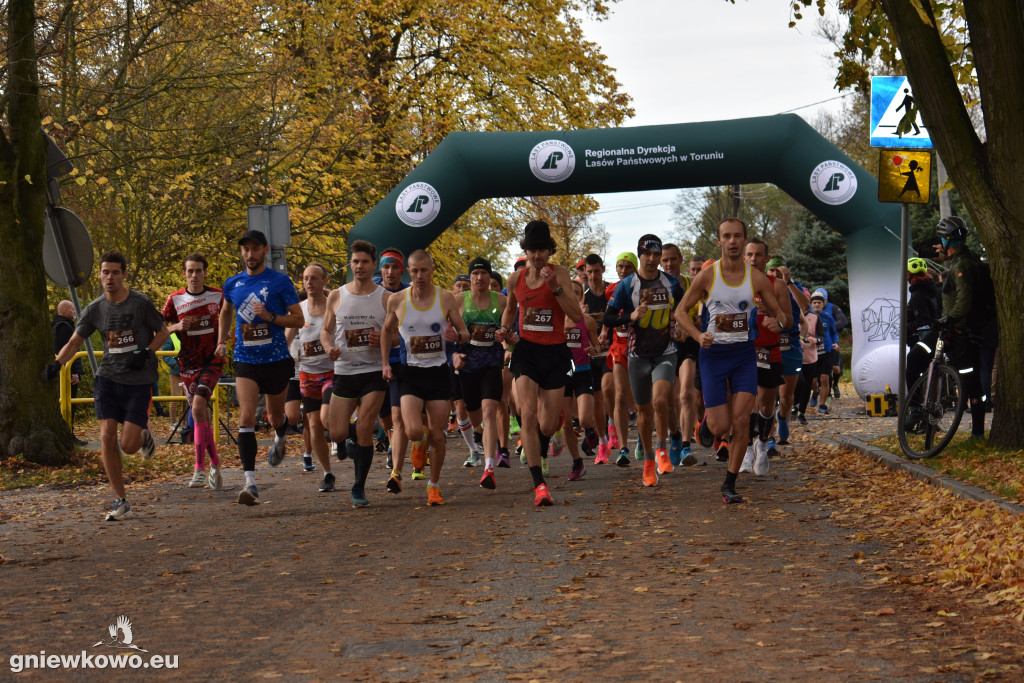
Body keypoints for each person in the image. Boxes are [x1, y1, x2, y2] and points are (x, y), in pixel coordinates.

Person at [49, 251, 169, 520]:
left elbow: (162, 332)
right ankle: (121, 500)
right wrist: (56, 365)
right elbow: (74, 343)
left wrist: (147, 352)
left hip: (138, 381)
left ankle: (142, 435)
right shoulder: (95, 309)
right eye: (105, 272)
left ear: (124, 274)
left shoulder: (140, 303)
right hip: (108, 379)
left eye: (115, 272)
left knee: (127, 446)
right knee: (106, 435)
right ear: (100, 275)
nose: (110, 277)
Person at [673, 219, 784, 504]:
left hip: (744, 355)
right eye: (727, 236)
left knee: (741, 420)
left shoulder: (756, 278)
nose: (733, 241)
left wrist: (777, 322)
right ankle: (708, 426)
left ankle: (730, 484)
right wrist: (698, 336)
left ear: (744, 240)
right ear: (719, 241)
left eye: (737, 236)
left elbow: (780, 314)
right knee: (722, 427)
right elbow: (680, 313)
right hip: (713, 356)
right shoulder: (708, 276)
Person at [216, 230, 304, 505]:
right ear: (241, 253)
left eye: (255, 249)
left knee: (277, 416)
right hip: (246, 359)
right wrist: (222, 340)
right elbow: (226, 311)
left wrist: (271, 317)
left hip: (277, 359)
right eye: (246, 250)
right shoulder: (233, 283)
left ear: (265, 250)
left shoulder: (280, 281)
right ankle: (250, 483)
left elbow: (298, 319)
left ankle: (280, 436)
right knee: (245, 418)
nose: (250, 255)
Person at [500, 220, 583, 506]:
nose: (538, 255)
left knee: (547, 425)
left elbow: (577, 315)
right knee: (527, 414)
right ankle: (540, 486)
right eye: (533, 250)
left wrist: (555, 288)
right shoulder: (516, 279)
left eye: (542, 250)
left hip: (555, 353)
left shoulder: (559, 274)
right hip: (526, 352)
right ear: (525, 250)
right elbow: (510, 310)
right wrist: (504, 334)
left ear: (550, 251)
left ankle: (556, 424)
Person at [381, 250, 470, 506]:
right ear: (409, 272)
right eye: (414, 271)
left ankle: (433, 485)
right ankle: (417, 444)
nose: (419, 275)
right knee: (411, 430)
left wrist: (458, 337)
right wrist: (386, 363)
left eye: (424, 270)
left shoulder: (445, 298)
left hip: (438, 374)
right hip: (410, 373)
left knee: (437, 435)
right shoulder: (397, 300)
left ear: (432, 270)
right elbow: (387, 332)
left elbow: (464, 332)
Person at [604, 234, 686, 487]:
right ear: (639, 255)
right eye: (646, 254)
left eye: (656, 254)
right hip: (637, 355)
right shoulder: (627, 285)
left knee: (661, 400)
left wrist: (682, 323)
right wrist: (630, 316)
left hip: (665, 351)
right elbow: (607, 319)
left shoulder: (671, 282)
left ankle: (662, 449)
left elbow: (684, 307)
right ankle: (649, 460)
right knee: (643, 411)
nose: (652, 259)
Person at [322, 241, 392, 507]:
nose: (359, 266)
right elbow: (326, 330)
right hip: (344, 372)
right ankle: (352, 443)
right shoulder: (337, 295)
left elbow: (397, 336)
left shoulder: (385, 297)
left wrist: (383, 340)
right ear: (350, 264)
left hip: (374, 372)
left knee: (364, 426)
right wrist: (329, 348)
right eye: (355, 262)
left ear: (373, 264)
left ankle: (358, 487)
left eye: (364, 262)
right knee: (335, 432)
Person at [906, 216, 988, 439]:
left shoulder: (963, 266)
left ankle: (978, 433)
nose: (939, 245)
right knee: (915, 359)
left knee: (970, 385)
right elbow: (946, 254)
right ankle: (915, 409)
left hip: (960, 332)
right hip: (946, 330)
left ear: (947, 240)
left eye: (941, 239)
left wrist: (949, 319)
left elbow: (964, 300)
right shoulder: (962, 259)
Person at [162, 253, 226, 489]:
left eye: (199, 270)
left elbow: (229, 318)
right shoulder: (175, 299)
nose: (194, 275)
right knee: (201, 416)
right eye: (190, 271)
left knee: (199, 407)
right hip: (187, 364)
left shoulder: (218, 295)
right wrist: (177, 326)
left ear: (205, 272)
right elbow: (160, 328)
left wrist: (224, 340)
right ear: (184, 274)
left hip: (212, 360)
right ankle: (215, 463)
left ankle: (199, 468)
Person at [453, 256, 508, 489]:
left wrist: (505, 334)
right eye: (475, 274)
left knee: (489, 411)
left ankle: (489, 468)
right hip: (468, 364)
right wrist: (453, 355)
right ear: (470, 277)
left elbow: (509, 327)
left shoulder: (501, 300)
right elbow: (447, 333)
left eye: (484, 273)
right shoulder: (458, 301)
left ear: (489, 276)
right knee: (475, 415)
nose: (479, 277)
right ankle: (480, 435)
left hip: (491, 362)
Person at [740, 241, 792, 476]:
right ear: (744, 257)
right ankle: (746, 450)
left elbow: (789, 319)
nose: (753, 259)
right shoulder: (736, 282)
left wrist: (778, 323)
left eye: (758, 255)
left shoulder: (777, 285)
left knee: (766, 404)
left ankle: (762, 444)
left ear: (766, 258)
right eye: (749, 254)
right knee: (744, 402)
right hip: (743, 350)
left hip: (769, 350)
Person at [286, 262, 336, 493]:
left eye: (314, 278)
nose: (309, 282)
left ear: (324, 281)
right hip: (307, 374)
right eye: (306, 278)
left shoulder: (334, 306)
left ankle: (344, 437)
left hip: (332, 371)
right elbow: (288, 338)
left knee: (326, 420)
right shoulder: (300, 309)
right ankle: (328, 473)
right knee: (314, 425)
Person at [375, 248, 412, 488]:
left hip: (402, 362)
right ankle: (391, 440)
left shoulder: (409, 294)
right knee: (383, 414)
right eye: (386, 267)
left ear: (401, 270)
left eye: (394, 267)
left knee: (399, 417)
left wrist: (390, 339)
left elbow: (414, 330)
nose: (390, 272)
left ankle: (396, 472)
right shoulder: (372, 292)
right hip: (373, 363)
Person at [51, 300, 87, 445]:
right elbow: (70, 351)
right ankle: (69, 435)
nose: (74, 311)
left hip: (59, 372)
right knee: (70, 403)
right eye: (72, 309)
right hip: (66, 372)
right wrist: (74, 372)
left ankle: (66, 433)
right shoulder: (65, 327)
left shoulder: (53, 325)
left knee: (63, 403)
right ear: (64, 310)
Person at [905, 257, 941, 345]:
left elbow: (923, 321)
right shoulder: (931, 289)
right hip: (931, 337)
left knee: (912, 358)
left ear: (909, 274)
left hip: (921, 339)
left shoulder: (918, 294)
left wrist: (906, 327)